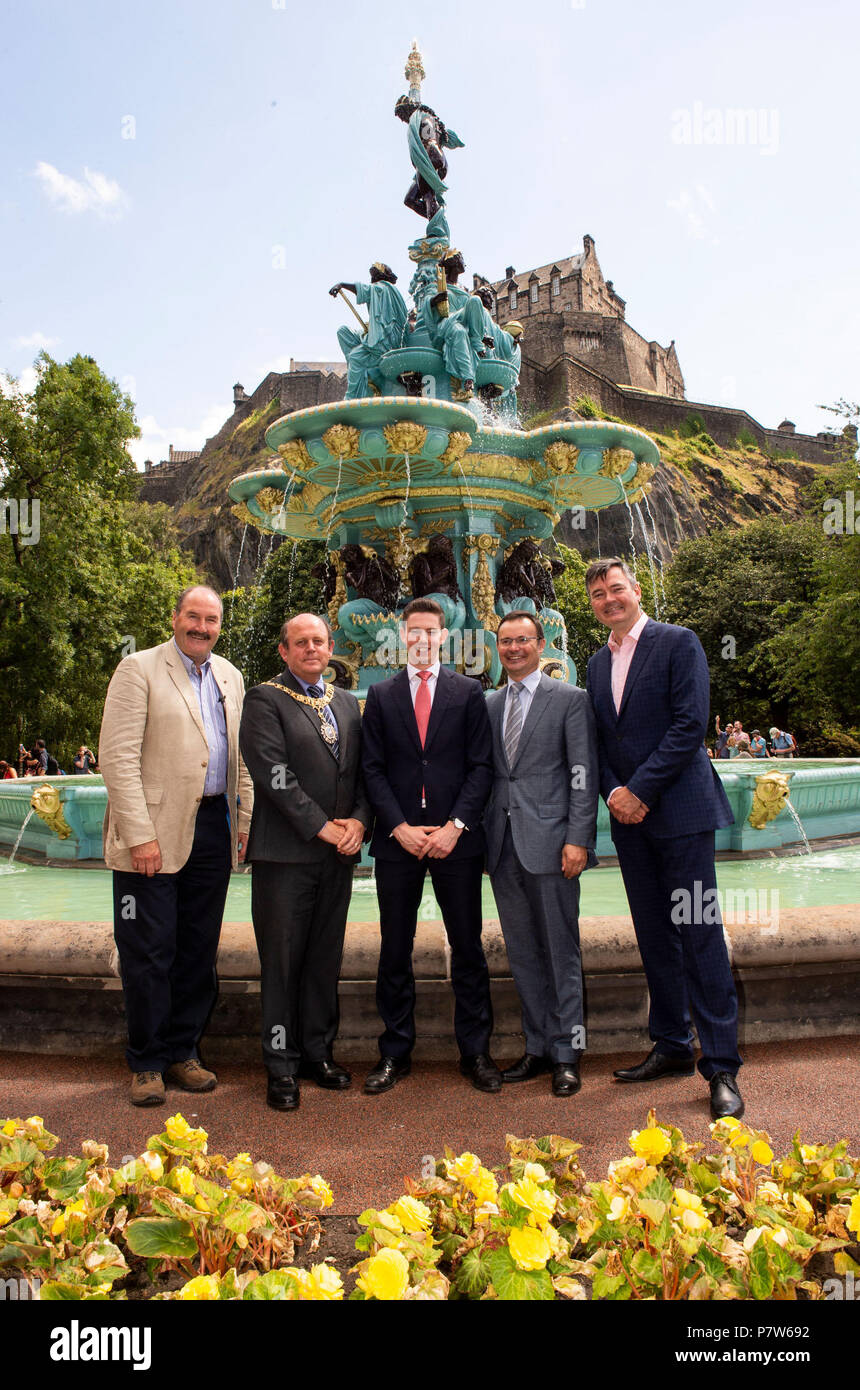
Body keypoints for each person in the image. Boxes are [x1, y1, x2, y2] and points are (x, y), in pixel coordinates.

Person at [584, 559, 744, 1120]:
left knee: (699, 934)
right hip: (630, 822)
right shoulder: (596, 662)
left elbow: (689, 725)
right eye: (600, 594)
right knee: (654, 936)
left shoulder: (679, 643)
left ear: (636, 590)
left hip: (679, 815)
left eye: (617, 589)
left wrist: (639, 790)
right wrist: (612, 793)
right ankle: (673, 1044)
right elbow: (599, 741)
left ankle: (721, 1065)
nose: (610, 599)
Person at [98, 586, 253, 1107]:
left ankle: (184, 1052)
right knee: (147, 951)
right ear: (175, 617)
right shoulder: (138, 669)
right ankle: (145, 1062)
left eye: (211, 620)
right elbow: (116, 758)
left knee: (196, 950)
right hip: (153, 831)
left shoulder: (231, 676)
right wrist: (139, 834)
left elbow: (242, 760)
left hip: (213, 827)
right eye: (193, 616)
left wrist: (244, 823)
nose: (201, 627)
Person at [361, 598, 499, 1094]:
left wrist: (455, 825)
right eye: (412, 631)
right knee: (394, 949)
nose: (421, 639)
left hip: (455, 842)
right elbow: (372, 769)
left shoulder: (469, 693)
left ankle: (476, 1052)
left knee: (468, 949)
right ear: (402, 636)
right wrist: (397, 826)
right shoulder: (380, 694)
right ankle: (395, 1052)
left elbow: (482, 767)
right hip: (398, 843)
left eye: (430, 631)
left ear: (444, 637)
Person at [238, 613, 369, 1113]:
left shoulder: (346, 703)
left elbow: (362, 774)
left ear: (330, 646)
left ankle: (318, 1054)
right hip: (285, 856)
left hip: (338, 854)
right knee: (282, 963)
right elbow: (274, 775)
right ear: (284, 650)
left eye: (318, 640)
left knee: (323, 959)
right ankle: (281, 1064)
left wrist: (358, 821)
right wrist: (323, 826)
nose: (311, 648)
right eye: (301, 642)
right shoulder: (265, 699)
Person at [484, 611, 599, 1097]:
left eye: (523, 640)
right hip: (502, 845)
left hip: (554, 844)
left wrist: (579, 838)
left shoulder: (570, 699)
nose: (514, 649)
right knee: (523, 951)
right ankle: (537, 1047)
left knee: (560, 949)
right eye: (506, 642)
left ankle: (568, 1054)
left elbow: (583, 772)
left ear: (541, 643)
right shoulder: (489, 703)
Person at [329, 263, 408, 400]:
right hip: (376, 336)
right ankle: (363, 376)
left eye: (374, 276)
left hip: (386, 343)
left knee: (355, 357)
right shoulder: (384, 290)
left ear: (381, 276)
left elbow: (365, 290)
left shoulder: (383, 288)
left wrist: (341, 285)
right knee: (344, 332)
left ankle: (353, 397)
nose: (372, 279)